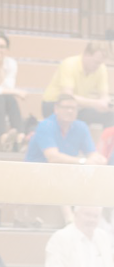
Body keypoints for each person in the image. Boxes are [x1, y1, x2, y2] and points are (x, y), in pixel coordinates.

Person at [25, 93, 106, 224]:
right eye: (66, 107)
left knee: (96, 172)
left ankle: (97, 217)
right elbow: (53, 157)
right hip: (38, 172)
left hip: (67, 172)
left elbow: (92, 153)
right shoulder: (45, 125)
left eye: (74, 108)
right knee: (61, 171)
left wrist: (99, 159)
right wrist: (83, 161)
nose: (70, 111)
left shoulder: (81, 127)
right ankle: (70, 219)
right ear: (56, 109)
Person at [42, 41, 114, 128]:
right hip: (54, 104)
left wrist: (106, 103)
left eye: (101, 63)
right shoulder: (69, 64)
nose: (98, 66)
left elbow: (104, 95)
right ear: (86, 54)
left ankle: (109, 141)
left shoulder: (101, 68)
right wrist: (95, 103)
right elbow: (67, 96)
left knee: (109, 115)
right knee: (67, 112)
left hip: (79, 107)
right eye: (96, 62)